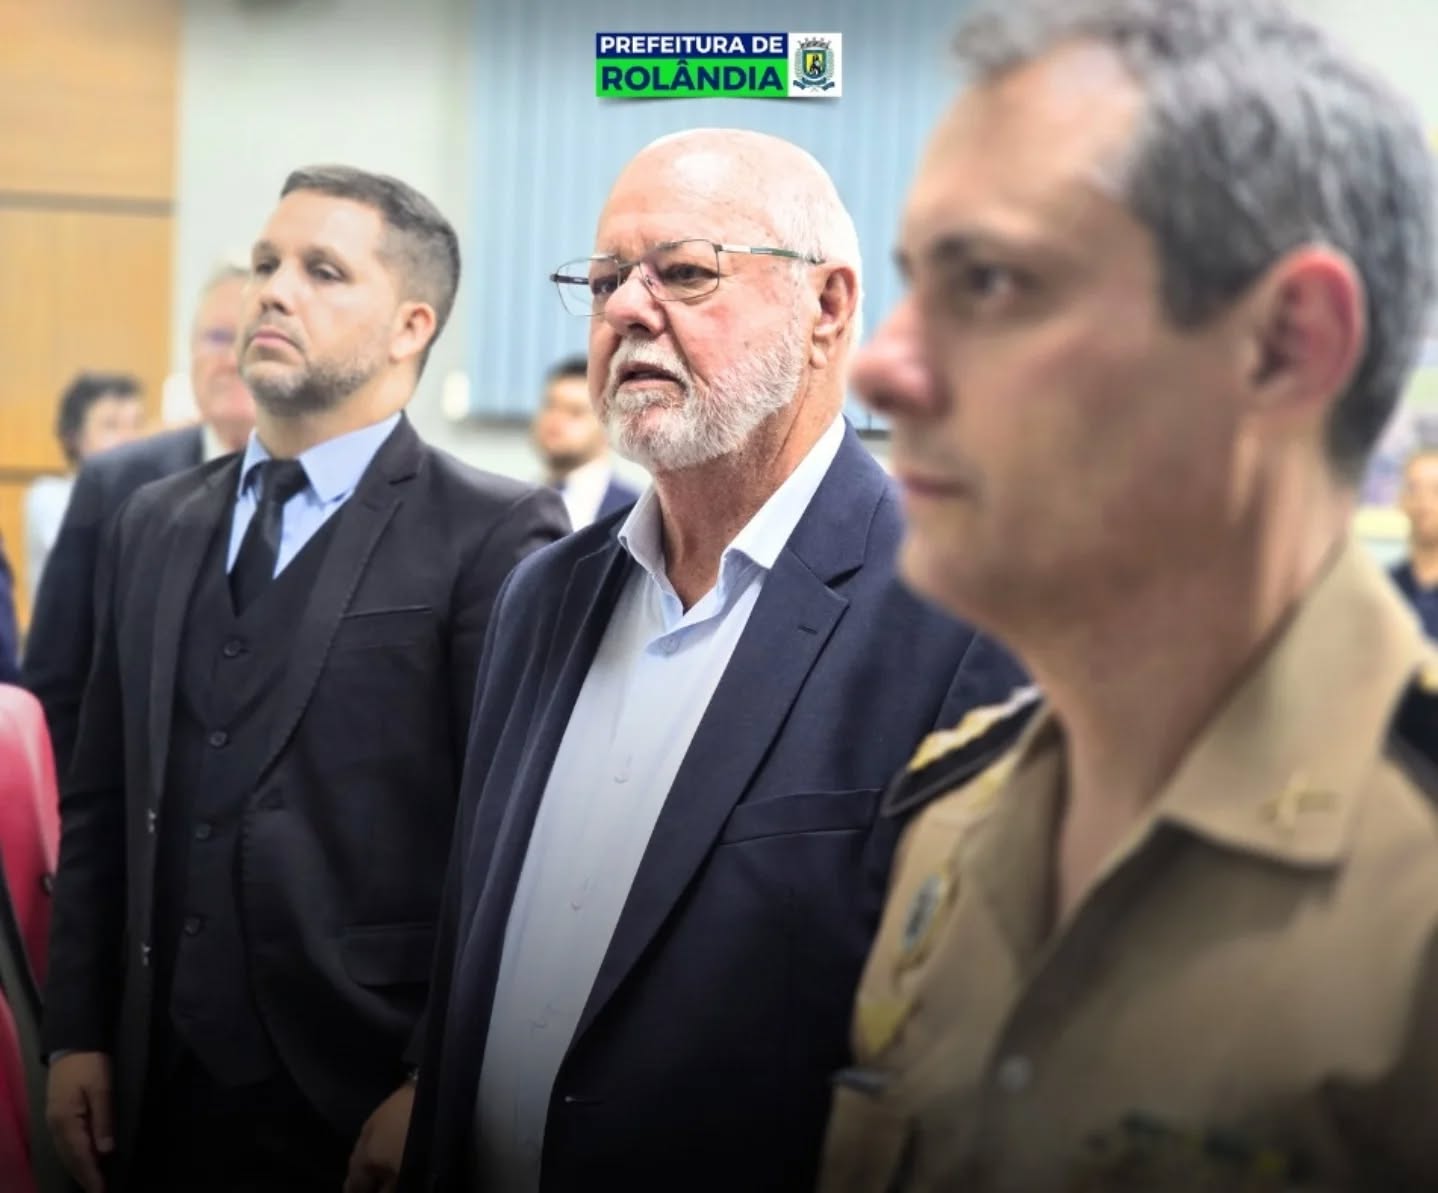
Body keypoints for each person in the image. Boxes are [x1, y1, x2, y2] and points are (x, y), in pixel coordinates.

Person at [815, 1, 1438, 1190]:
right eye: (913, 285)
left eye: (990, 281)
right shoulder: (957, 818)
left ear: (1282, 345)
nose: (883, 365)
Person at [383, 129, 1025, 1193]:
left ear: (827, 308)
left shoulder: (962, 610)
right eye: (604, 282)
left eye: (684, 272)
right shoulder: (541, 596)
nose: (626, 311)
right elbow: (474, 939)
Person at [42, 165, 569, 1193]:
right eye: (266, 263)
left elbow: (511, 843)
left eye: (323, 271)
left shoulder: (494, 533)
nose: (273, 292)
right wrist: (77, 1029)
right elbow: (100, 797)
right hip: (151, 1081)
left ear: (411, 325)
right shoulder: (152, 520)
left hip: (354, 1086)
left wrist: (430, 1075)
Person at [22, 264, 257, 777]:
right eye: (217, 337)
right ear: (190, 351)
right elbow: (54, 678)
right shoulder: (115, 482)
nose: (232, 357)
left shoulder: (328, 488)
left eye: (250, 336)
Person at [24, 372, 146, 594]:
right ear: (74, 437)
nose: (130, 438)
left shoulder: (149, 497)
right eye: (111, 425)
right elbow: (93, 557)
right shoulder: (49, 495)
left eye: (137, 424)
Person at [531, 354, 639, 529]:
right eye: (550, 406)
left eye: (575, 412)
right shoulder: (520, 503)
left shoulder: (635, 515)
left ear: (612, 426)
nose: (555, 420)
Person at [1392, 446, 1438, 638]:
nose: (1424, 502)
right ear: (1401, 500)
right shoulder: (1385, 589)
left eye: (1436, 490)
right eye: (1414, 489)